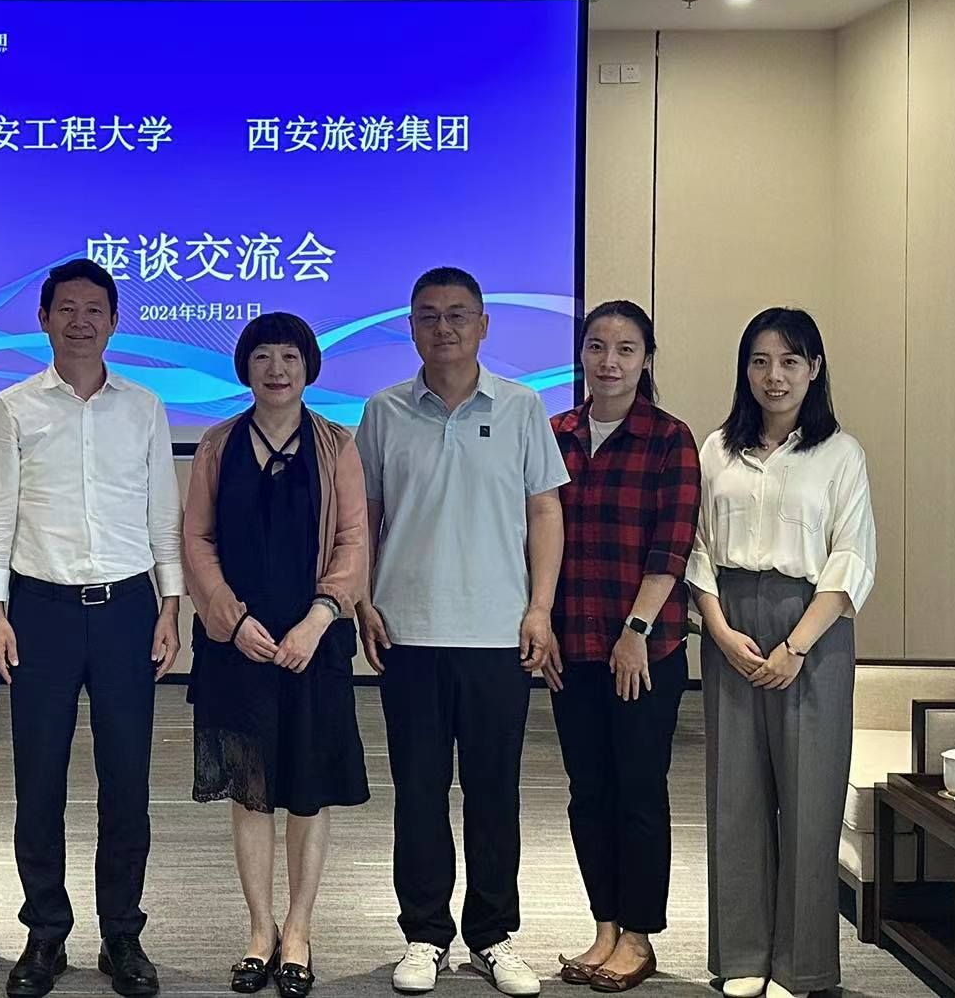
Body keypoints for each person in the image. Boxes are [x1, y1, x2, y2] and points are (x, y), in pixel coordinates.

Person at [354, 267, 568, 998]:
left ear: (483, 324)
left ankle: (492, 936)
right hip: (408, 631)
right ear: (411, 326)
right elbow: (365, 517)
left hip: (498, 632)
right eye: (428, 315)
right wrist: (363, 600)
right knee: (418, 792)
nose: (442, 327)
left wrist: (540, 608)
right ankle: (424, 935)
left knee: (493, 792)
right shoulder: (383, 411)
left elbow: (545, 511)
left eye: (457, 314)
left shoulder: (522, 407)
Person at [0, 258, 184, 998]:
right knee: (39, 780)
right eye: (66, 308)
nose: (80, 321)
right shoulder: (13, 409)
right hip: (41, 612)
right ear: (43, 319)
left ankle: (122, 934)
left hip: (127, 610)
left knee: (127, 780)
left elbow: (162, 511)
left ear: (114, 321)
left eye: (95, 309)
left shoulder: (144, 406)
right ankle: (44, 933)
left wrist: (171, 604)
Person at [686, 308, 875, 998]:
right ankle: (741, 957)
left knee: (809, 799)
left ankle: (802, 966)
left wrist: (796, 645)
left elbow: (853, 556)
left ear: (815, 369)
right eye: (760, 361)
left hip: (813, 627)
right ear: (745, 370)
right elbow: (696, 548)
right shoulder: (715, 450)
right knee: (735, 794)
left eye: (791, 361)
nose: (775, 376)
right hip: (730, 621)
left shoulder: (840, 454)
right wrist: (717, 628)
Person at [184, 313, 370, 998]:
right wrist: (230, 620)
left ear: (308, 365)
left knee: (308, 793)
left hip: (312, 645)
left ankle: (299, 930)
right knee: (252, 792)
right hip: (238, 647)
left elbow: (354, 539)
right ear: (245, 367)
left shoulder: (336, 443)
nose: (277, 369)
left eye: (290, 356)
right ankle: (259, 931)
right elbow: (196, 539)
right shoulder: (217, 444)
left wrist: (320, 618)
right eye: (263, 356)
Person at [544, 301, 700, 993]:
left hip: (645, 649)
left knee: (638, 789)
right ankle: (604, 926)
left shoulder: (669, 439)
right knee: (587, 792)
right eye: (597, 346)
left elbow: (672, 547)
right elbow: (536, 536)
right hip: (573, 643)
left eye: (626, 349)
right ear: (581, 353)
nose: (610, 361)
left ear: (646, 359)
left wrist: (635, 632)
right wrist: (542, 621)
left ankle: (638, 936)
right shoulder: (554, 433)